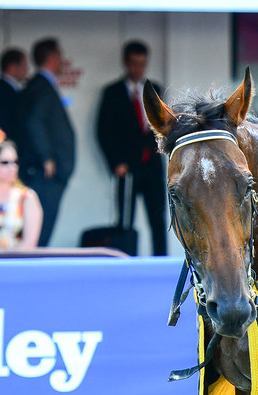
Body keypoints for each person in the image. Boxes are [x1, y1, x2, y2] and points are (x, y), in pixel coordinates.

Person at [97, 40, 167, 256]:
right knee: (125, 221)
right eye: (135, 64)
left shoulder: (154, 89)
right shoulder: (113, 92)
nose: (138, 69)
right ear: (126, 63)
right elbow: (103, 131)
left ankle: (160, 263)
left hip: (152, 166)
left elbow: (162, 126)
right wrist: (116, 163)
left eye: (143, 64)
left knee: (158, 219)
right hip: (126, 166)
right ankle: (124, 260)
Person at [20, 37, 75, 247]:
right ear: (52, 58)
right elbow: (35, 122)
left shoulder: (38, 86)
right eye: (60, 56)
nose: (62, 61)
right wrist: (47, 157)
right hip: (46, 174)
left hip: (48, 173)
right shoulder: (41, 86)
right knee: (40, 231)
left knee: (40, 229)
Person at [0, 47, 28, 144]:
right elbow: (3, 125)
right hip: (7, 149)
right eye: (24, 67)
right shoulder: (4, 92)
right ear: (12, 66)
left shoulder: (7, 89)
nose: (26, 71)